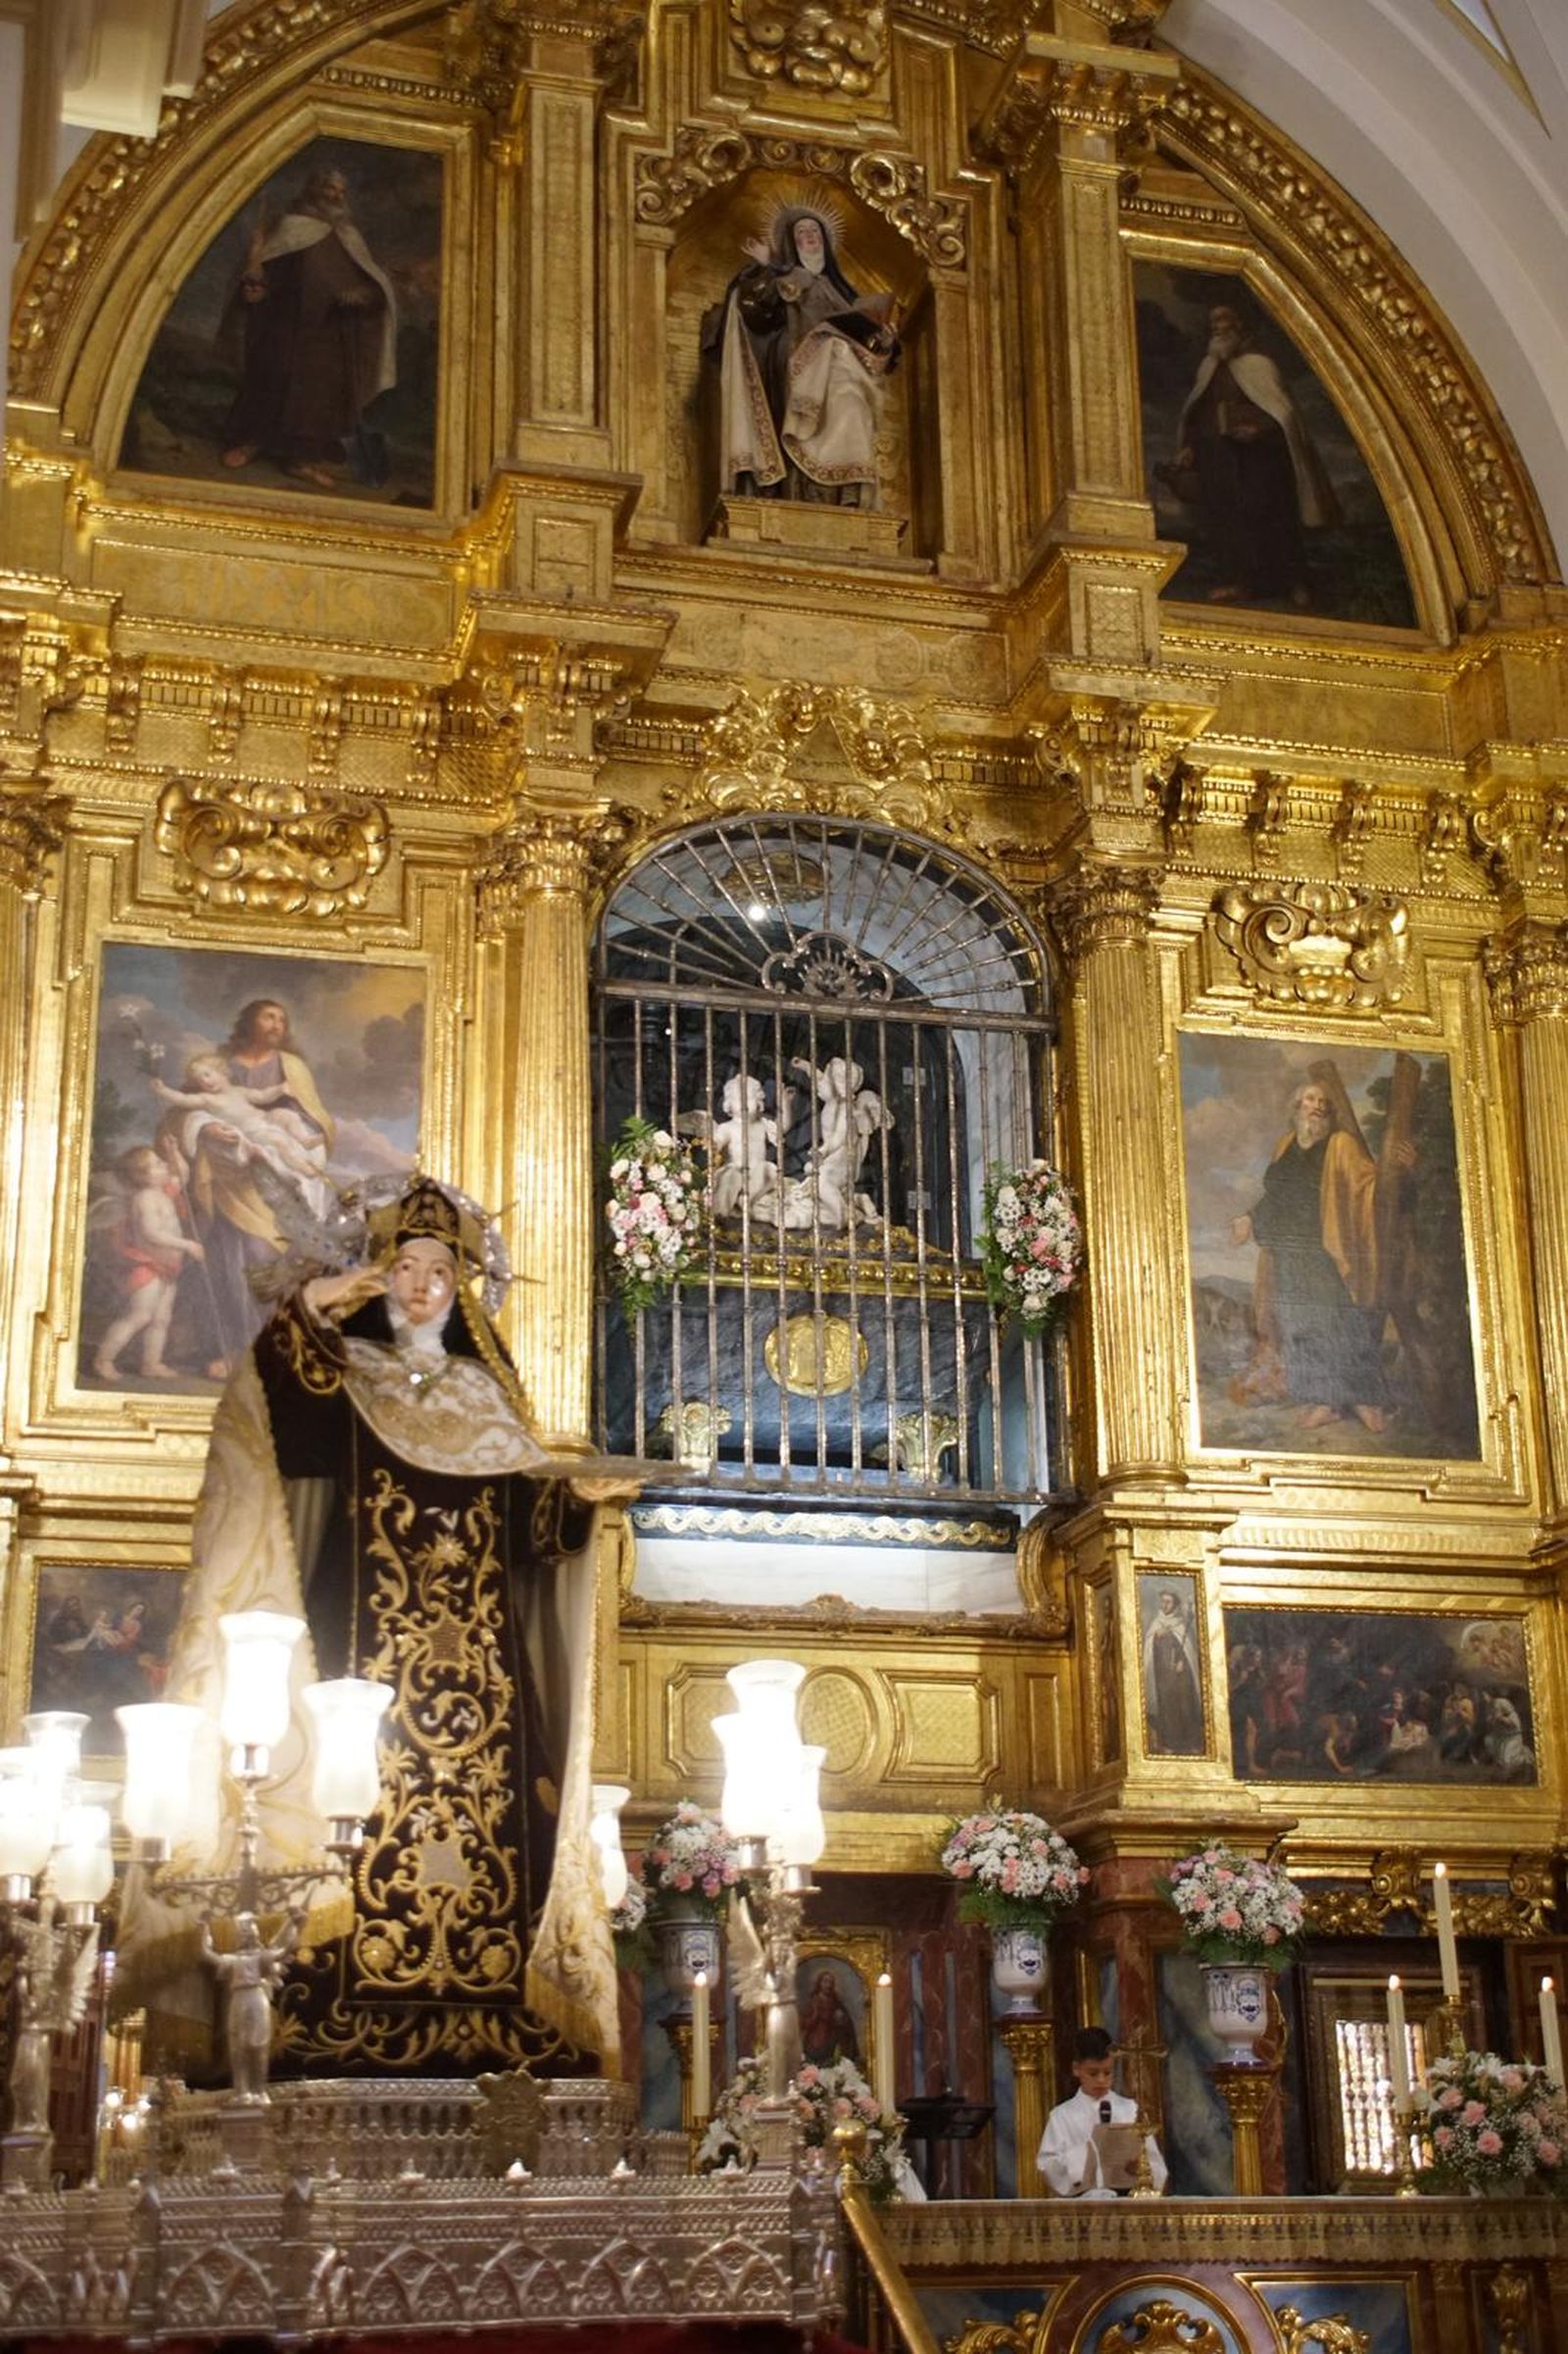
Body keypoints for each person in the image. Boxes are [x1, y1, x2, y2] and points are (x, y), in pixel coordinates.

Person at [113, 1176, 620, 2084]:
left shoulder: (486, 1396)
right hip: (362, 1671)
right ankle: (319, 2035)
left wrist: (582, 1506)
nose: (422, 1285)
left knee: (510, 1841)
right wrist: (309, 1308)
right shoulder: (341, 1375)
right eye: (404, 1266)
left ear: (464, 1287)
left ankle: (498, 2042)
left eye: (440, 1269)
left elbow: (528, 1530)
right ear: (376, 1276)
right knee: (346, 1822)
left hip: (487, 1696)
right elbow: (273, 1401)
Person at [155, 999, 334, 1379]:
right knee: (225, 1260)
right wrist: (204, 1128)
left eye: (282, 1019)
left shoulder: (291, 1067)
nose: (276, 1024)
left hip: (272, 1175)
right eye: (269, 1016)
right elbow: (182, 1111)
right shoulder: (217, 1066)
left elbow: (311, 1115)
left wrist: (290, 1130)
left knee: (264, 1254)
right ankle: (227, 1348)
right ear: (249, 1020)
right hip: (226, 1177)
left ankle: (273, 1349)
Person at [1229, 1075, 1410, 1436]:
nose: (1318, 1106)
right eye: (1311, 1100)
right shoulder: (1284, 1146)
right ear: (1297, 1107)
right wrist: (1249, 1218)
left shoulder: (1339, 1145)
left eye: (1323, 1102)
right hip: (1286, 1250)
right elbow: (1275, 1196)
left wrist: (1400, 1169)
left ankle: (1365, 1400)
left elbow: (1370, 1185)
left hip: (1323, 1247)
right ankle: (1326, 1401)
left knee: (1339, 1322)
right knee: (1301, 1328)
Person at [703, 208, 899, 509]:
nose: (810, 238)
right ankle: (801, 492)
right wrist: (771, 269)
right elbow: (756, 312)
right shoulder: (780, 275)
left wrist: (884, 337)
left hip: (842, 368)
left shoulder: (840, 290)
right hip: (797, 363)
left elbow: (865, 337)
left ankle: (849, 490)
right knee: (805, 416)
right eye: (802, 234)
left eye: (815, 232)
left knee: (854, 408)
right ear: (791, 244)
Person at [220, 166, 398, 490]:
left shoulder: (349, 236)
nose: (337, 197)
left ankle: (299, 460)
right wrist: (256, 285)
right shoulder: (291, 227)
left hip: (329, 333)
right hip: (284, 323)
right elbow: (264, 274)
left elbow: (372, 285)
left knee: (315, 394)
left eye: (341, 192)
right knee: (270, 380)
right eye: (331, 189)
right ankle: (251, 443)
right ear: (314, 189)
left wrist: (362, 295)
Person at [1165, 302, 1339, 608]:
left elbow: (1283, 415)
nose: (1219, 331)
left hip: (1261, 462)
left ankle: (1293, 582)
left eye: (1225, 325)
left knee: (1270, 517)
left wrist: (1257, 429)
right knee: (1227, 521)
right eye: (1215, 326)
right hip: (1219, 461)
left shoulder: (1259, 366)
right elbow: (1197, 414)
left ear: (1239, 329)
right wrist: (1189, 448)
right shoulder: (1208, 368)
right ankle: (1238, 582)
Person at [91, 1144, 207, 1382]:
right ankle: (103, 1359)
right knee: (140, 1315)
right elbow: (151, 1233)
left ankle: (151, 1363)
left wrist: (174, 1153)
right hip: (148, 1268)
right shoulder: (145, 1199)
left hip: (168, 1269)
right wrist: (186, 1245)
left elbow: (183, 1174)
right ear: (142, 1176)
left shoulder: (165, 1192)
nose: (164, 1165)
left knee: (161, 1319)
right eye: (157, 1164)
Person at [152, 1056, 331, 1201]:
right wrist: (163, 1091)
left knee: (286, 1115)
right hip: (253, 1130)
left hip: (265, 1118)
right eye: (200, 1080)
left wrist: (280, 1089)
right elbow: (184, 1100)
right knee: (279, 1142)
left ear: (222, 1072)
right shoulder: (208, 1099)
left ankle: (305, 1140)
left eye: (208, 1074)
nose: (205, 1081)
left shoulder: (239, 1091)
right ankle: (303, 1167)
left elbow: (262, 1096)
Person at [1038, 2028, 1166, 2199]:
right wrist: (1088, 2152)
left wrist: (1141, 2167)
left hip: (1127, 2200)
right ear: (1076, 2069)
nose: (1101, 2080)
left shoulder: (1130, 2110)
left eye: (1107, 2072)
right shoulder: (1062, 2116)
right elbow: (1048, 2166)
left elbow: (1156, 2165)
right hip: (1083, 2203)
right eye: (1093, 2073)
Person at [1143, 1588, 1204, 1755]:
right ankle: (1170, 1743)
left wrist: (1182, 1661)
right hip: (1163, 1676)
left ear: (1174, 1603)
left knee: (1186, 1705)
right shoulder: (1156, 1624)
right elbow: (1149, 1650)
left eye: (1168, 1601)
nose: (1165, 1605)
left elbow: (1190, 1651)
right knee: (1168, 1708)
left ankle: (1192, 1742)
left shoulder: (1181, 1624)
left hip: (1181, 1675)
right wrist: (1156, 1637)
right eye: (1163, 1601)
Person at [800, 1966, 860, 2068]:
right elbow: (804, 2021)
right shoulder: (813, 2001)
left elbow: (846, 2022)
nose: (828, 1985)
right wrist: (815, 2016)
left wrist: (841, 2018)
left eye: (830, 1982)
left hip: (831, 2039)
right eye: (825, 1981)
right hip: (814, 2039)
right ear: (819, 1983)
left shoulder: (836, 2002)